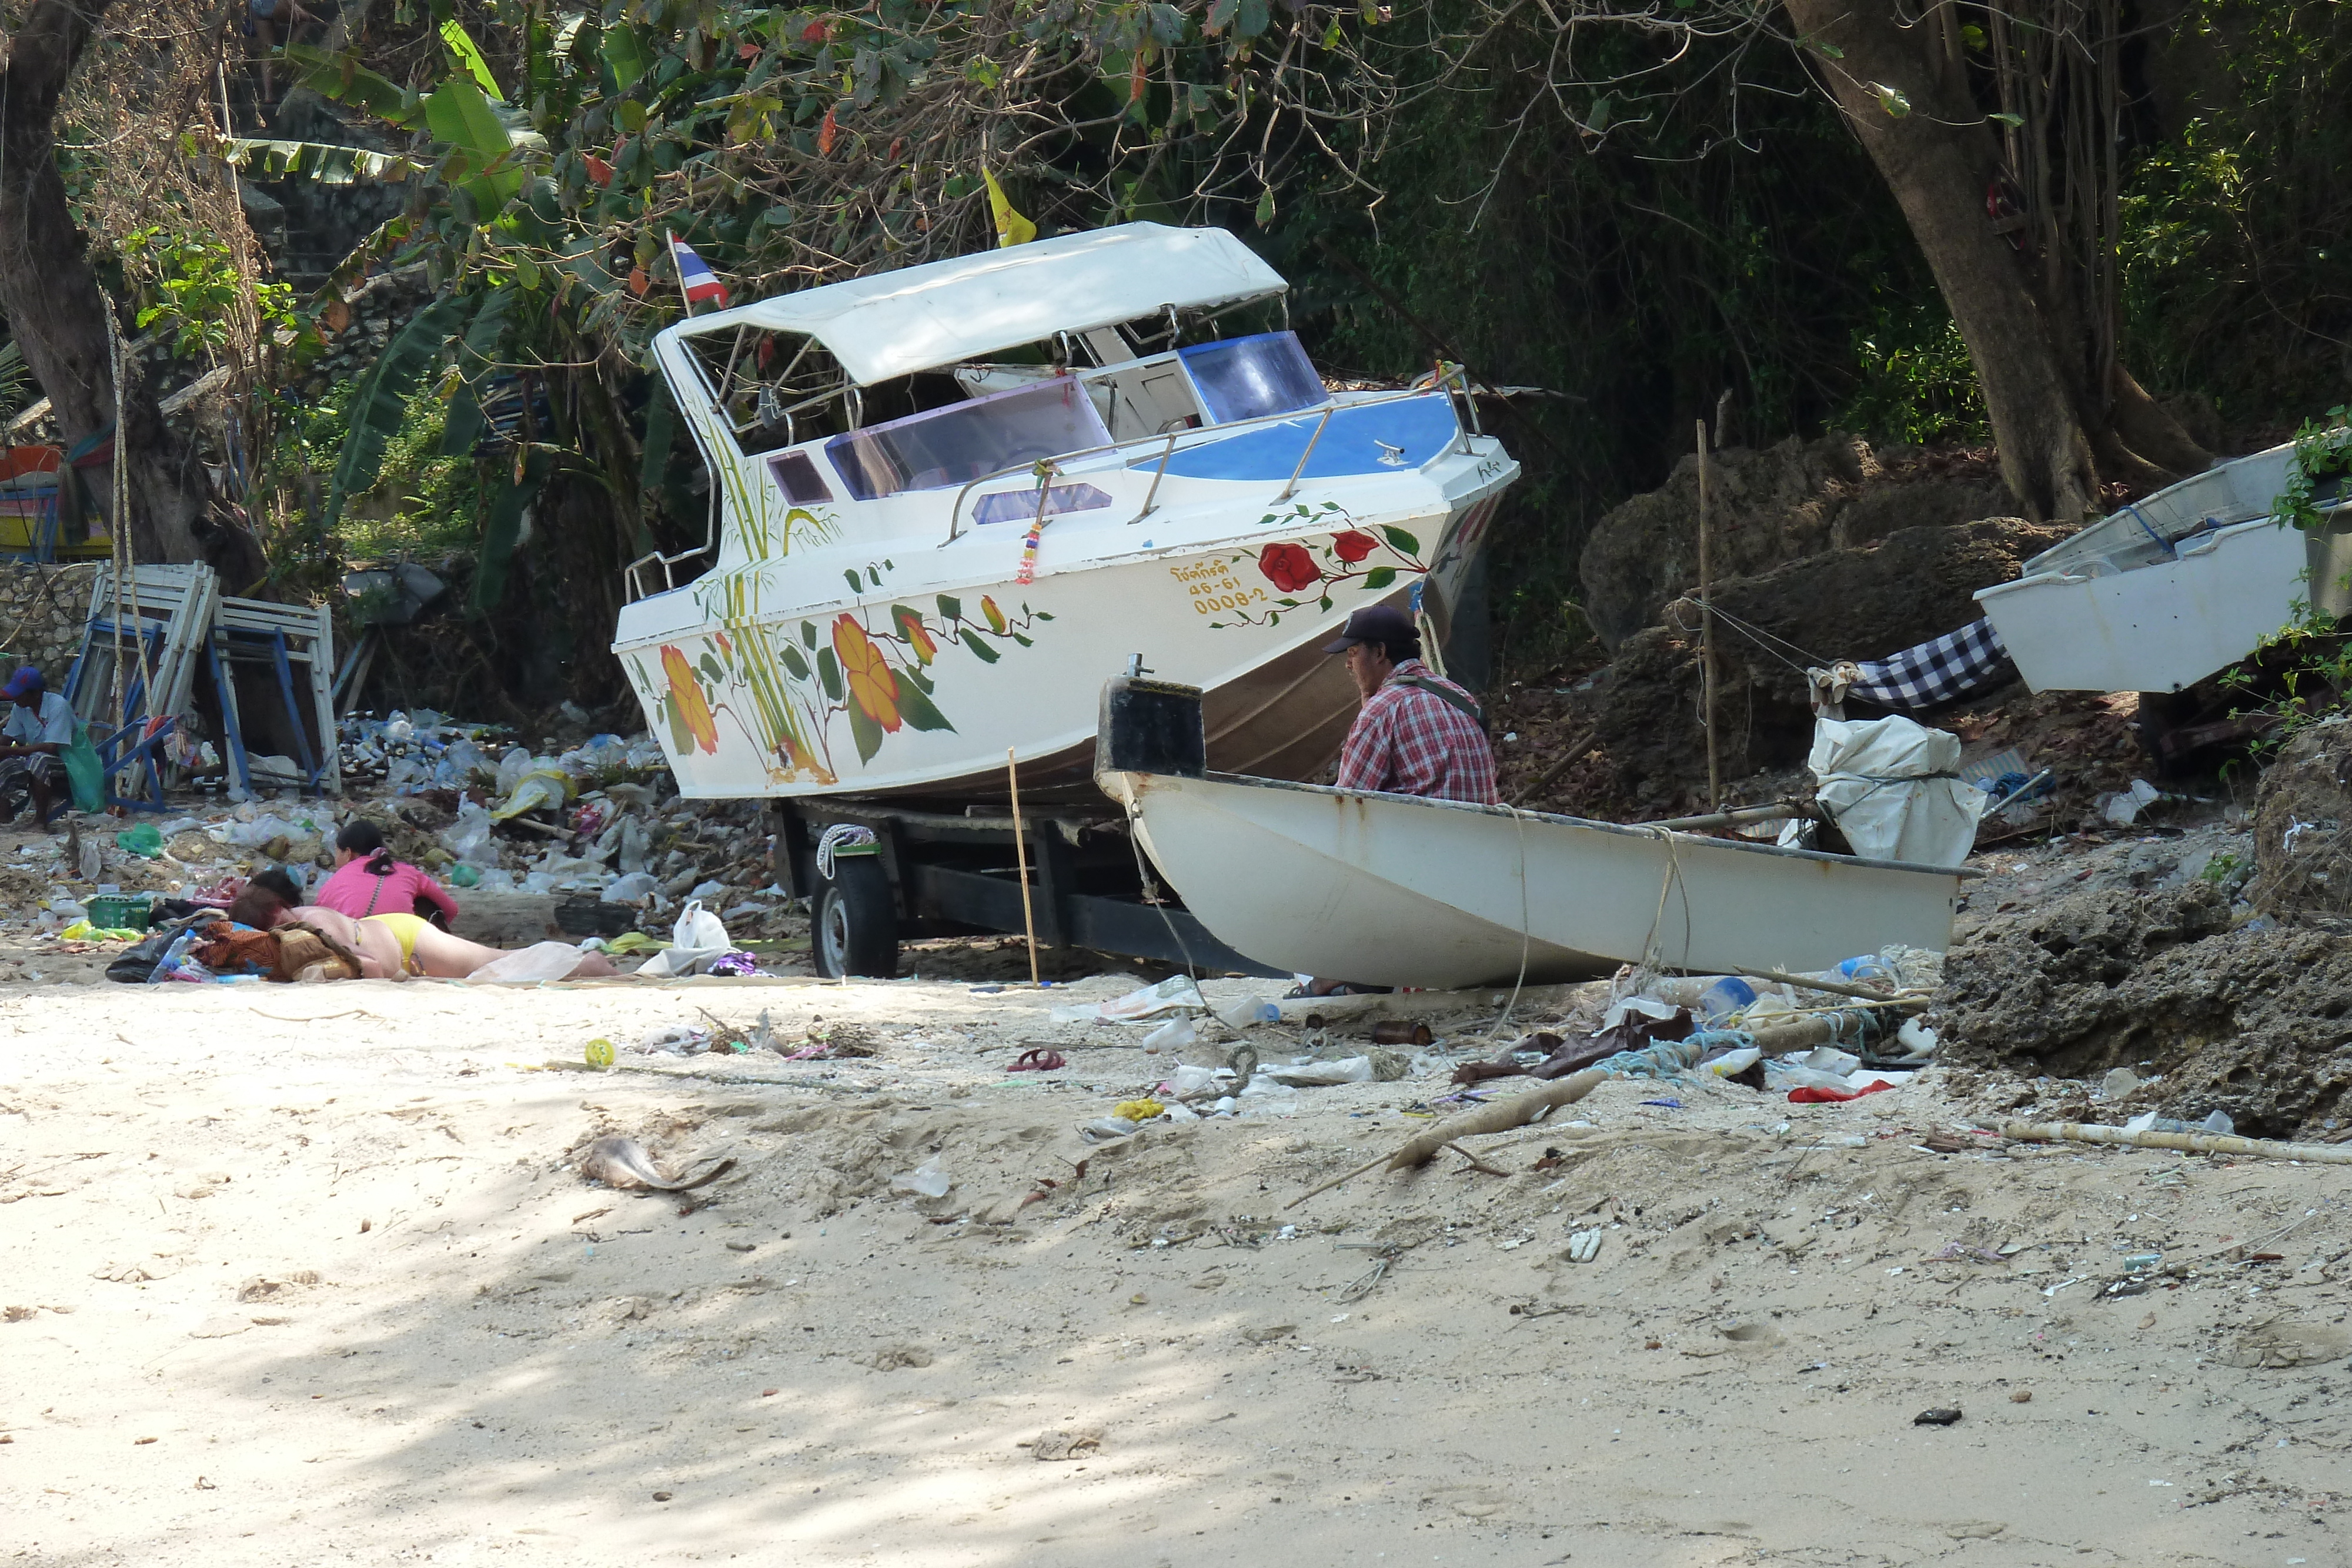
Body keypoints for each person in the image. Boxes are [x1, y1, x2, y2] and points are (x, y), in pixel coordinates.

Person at [1325, 605, 1498, 805]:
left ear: (1380, 652)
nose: (1348, 664)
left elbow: (1345, 802)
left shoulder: (1382, 709)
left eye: (1353, 653)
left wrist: (1370, 709)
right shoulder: (1460, 695)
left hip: (1423, 833)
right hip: (1480, 831)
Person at [312, 821, 461, 928]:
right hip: (405, 952)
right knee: (423, 902)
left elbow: (318, 920)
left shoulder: (336, 881)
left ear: (348, 853)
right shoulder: (408, 872)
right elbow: (451, 910)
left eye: (337, 851)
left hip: (357, 954)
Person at [0, 666, 75, 828]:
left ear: (35, 693)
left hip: (67, 761)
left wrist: (10, 751)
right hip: (35, 758)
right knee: (5, 764)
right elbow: (8, 738)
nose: (15, 698)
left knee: (39, 760)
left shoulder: (58, 706)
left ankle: (41, 821)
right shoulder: (20, 708)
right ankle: (5, 818)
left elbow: (51, 747)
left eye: (19, 694)